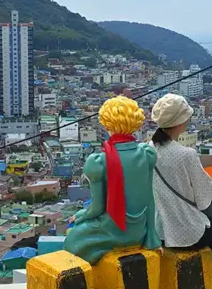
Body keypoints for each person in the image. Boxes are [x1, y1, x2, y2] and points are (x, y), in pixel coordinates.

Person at [64, 96, 160, 265]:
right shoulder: (146, 153)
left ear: (107, 124)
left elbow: (97, 208)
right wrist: (152, 237)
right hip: (139, 231)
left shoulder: (99, 162)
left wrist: (80, 215)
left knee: (73, 239)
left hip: (113, 229)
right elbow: (149, 199)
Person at [149, 93, 212, 289]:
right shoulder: (186, 154)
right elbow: (206, 192)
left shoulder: (146, 150)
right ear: (181, 121)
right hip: (187, 233)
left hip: (159, 231)